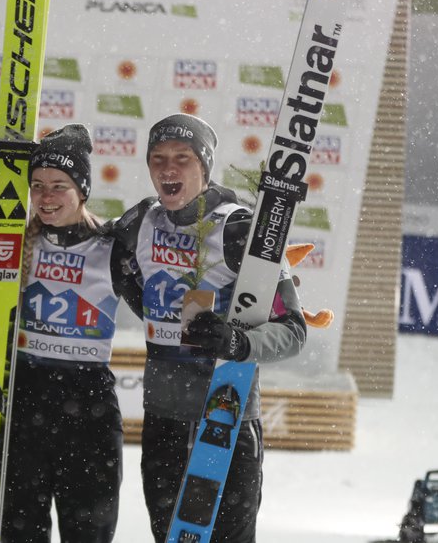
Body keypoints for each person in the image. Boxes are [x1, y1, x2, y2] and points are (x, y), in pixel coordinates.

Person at [110, 113, 307, 543]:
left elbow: (294, 330)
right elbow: (123, 280)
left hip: (229, 418)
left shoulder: (243, 231)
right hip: (164, 419)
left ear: (205, 165)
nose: (168, 169)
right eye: (158, 158)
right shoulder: (138, 226)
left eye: (183, 158)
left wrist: (238, 342)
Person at [1, 124, 145, 543]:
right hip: (26, 398)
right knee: (19, 531)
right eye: (38, 185)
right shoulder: (14, 241)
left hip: (88, 406)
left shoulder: (112, 246)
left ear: (82, 190)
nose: (46, 197)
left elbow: (160, 307)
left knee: (89, 532)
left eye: (59, 186)